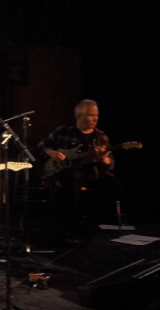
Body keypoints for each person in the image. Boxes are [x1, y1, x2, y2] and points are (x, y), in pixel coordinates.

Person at [38, 99, 125, 236]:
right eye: (91, 115)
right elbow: (42, 145)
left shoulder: (100, 136)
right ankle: (71, 224)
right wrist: (52, 153)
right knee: (73, 179)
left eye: (96, 115)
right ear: (79, 116)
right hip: (67, 172)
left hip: (91, 173)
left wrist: (105, 159)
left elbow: (111, 165)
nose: (95, 119)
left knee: (115, 185)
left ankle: (93, 221)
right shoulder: (64, 132)